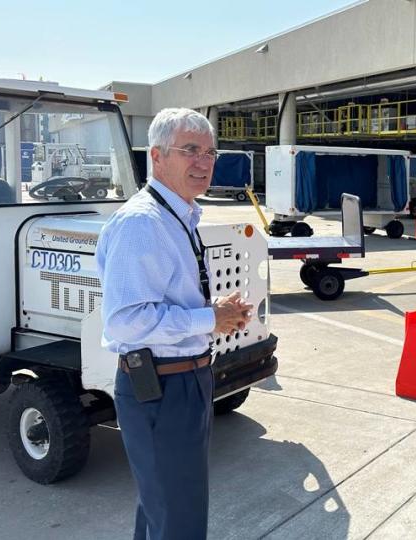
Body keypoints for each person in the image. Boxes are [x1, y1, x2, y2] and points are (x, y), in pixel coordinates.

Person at [96, 108, 253, 540]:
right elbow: (127, 321)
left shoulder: (177, 215)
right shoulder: (143, 224)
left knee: (165, 509)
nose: (203, 162)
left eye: (210, 152)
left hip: (185, 383)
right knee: (178, 518)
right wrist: (208, 317)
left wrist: (214, 308)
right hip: (162, 389)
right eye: (190, 151)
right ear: (158, 157)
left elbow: (165, 297)